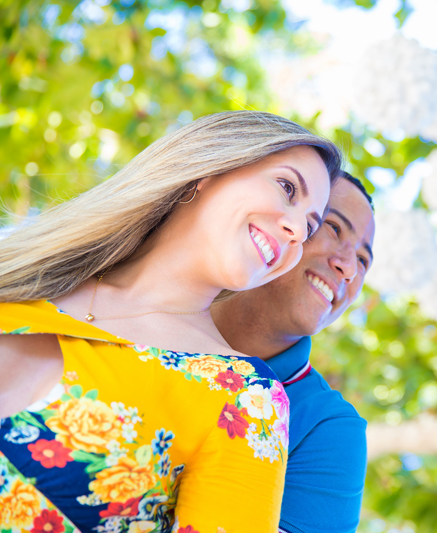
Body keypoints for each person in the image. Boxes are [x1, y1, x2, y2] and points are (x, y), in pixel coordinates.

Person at [0, 111, 341, 533]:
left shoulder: (245, 400)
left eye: (309, 227)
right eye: (287, 187)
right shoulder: (22, 273)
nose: (295, 230)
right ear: (209, 169)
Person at [213, 171, 375, 533]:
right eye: (333, 227)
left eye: (363, 261)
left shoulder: (328, 428)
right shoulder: (142, 301)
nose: (348, 268)